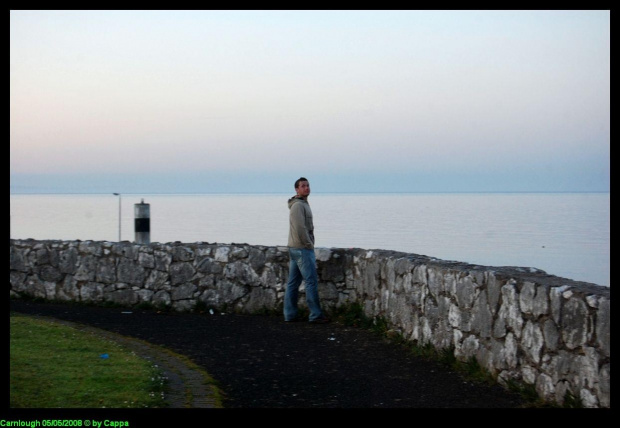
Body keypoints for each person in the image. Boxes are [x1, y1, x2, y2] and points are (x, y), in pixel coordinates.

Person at [283, 177, 330, 323]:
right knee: (311, 282)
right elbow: (300, 228)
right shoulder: (298, 206)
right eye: (303, 186)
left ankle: (290, 315)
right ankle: (315, 315)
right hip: (302, 248)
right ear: (297, 189)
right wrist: (308, 244)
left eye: (308, 185)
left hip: (295, 248)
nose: (307, 188)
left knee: (293, 282)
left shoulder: (302, 204)